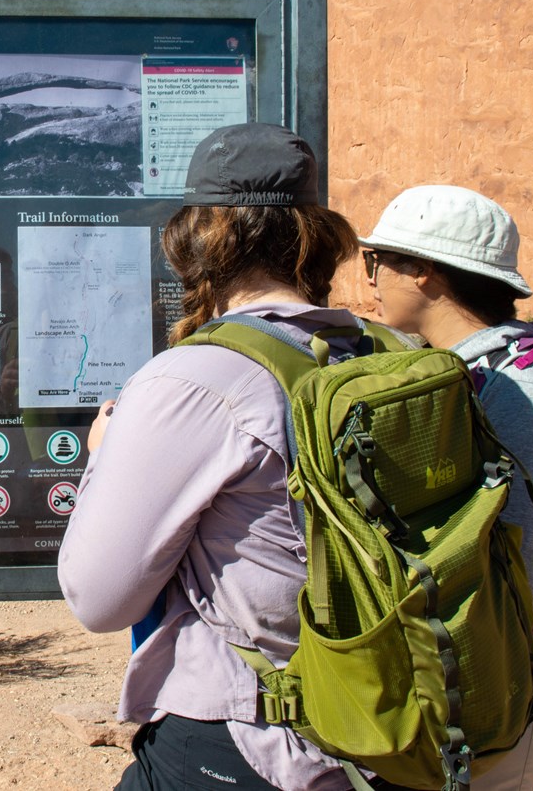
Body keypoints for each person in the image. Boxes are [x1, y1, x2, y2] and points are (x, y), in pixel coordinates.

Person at [58, 123, 373, 789]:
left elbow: (99, 599)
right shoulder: (375, 351)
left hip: (255, 741)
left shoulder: (194, 379)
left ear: (203, 235)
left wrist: (103, 456)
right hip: (384, 718)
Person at [360, 185, 533, 791]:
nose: (371, 279)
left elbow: (523, 568)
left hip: (501, 671)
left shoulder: (518, 389)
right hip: (464, 662)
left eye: (377, 262)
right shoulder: (468, 372)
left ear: (426, 273)